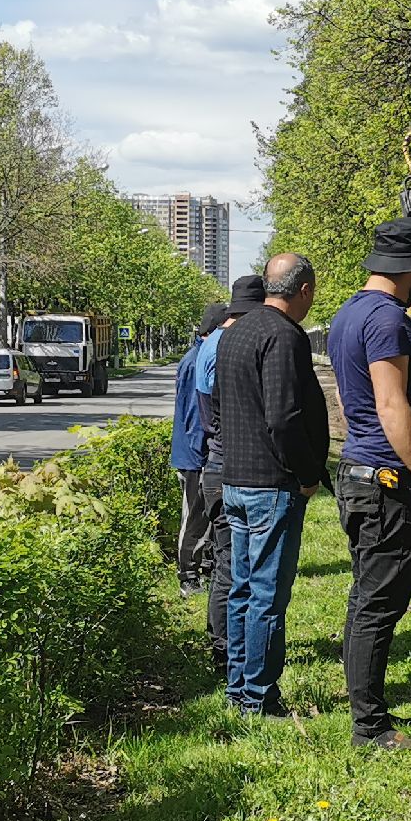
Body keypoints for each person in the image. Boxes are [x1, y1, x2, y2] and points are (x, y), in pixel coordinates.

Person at [327, 214, 411, 750]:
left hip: (362, 476)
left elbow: (354, 400)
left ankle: (367, 712)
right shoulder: (388, 321)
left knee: (369, 598)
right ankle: (370, 727)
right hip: (383, 482)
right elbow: (389, 401)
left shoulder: (349, 314)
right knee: (378, 603)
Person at [215, 254, 326, 717]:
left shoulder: (234, 331)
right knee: (266, 594)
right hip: (270, 484)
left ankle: (239, 688)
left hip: (236, 480)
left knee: (242, 587)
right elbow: (282, 417)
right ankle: (258, 698)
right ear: (302, 291)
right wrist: (304, 475)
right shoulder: (282, 336)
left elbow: (225, 408)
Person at [188, 275, 263, 682]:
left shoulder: (212, 345)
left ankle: (223, 645)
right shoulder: (228, 347)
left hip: (216, 465)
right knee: (231, 566)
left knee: (226, 562)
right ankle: (225, 651)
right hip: (227, 466)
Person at [169, 299, 227, 649]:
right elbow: (195, 415)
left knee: (203, 516)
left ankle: (200, 570)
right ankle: (187, 574)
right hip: (194, 456)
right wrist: (204, 451)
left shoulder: (199, 355)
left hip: (198, 453)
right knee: (193, 519)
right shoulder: (197, 361)